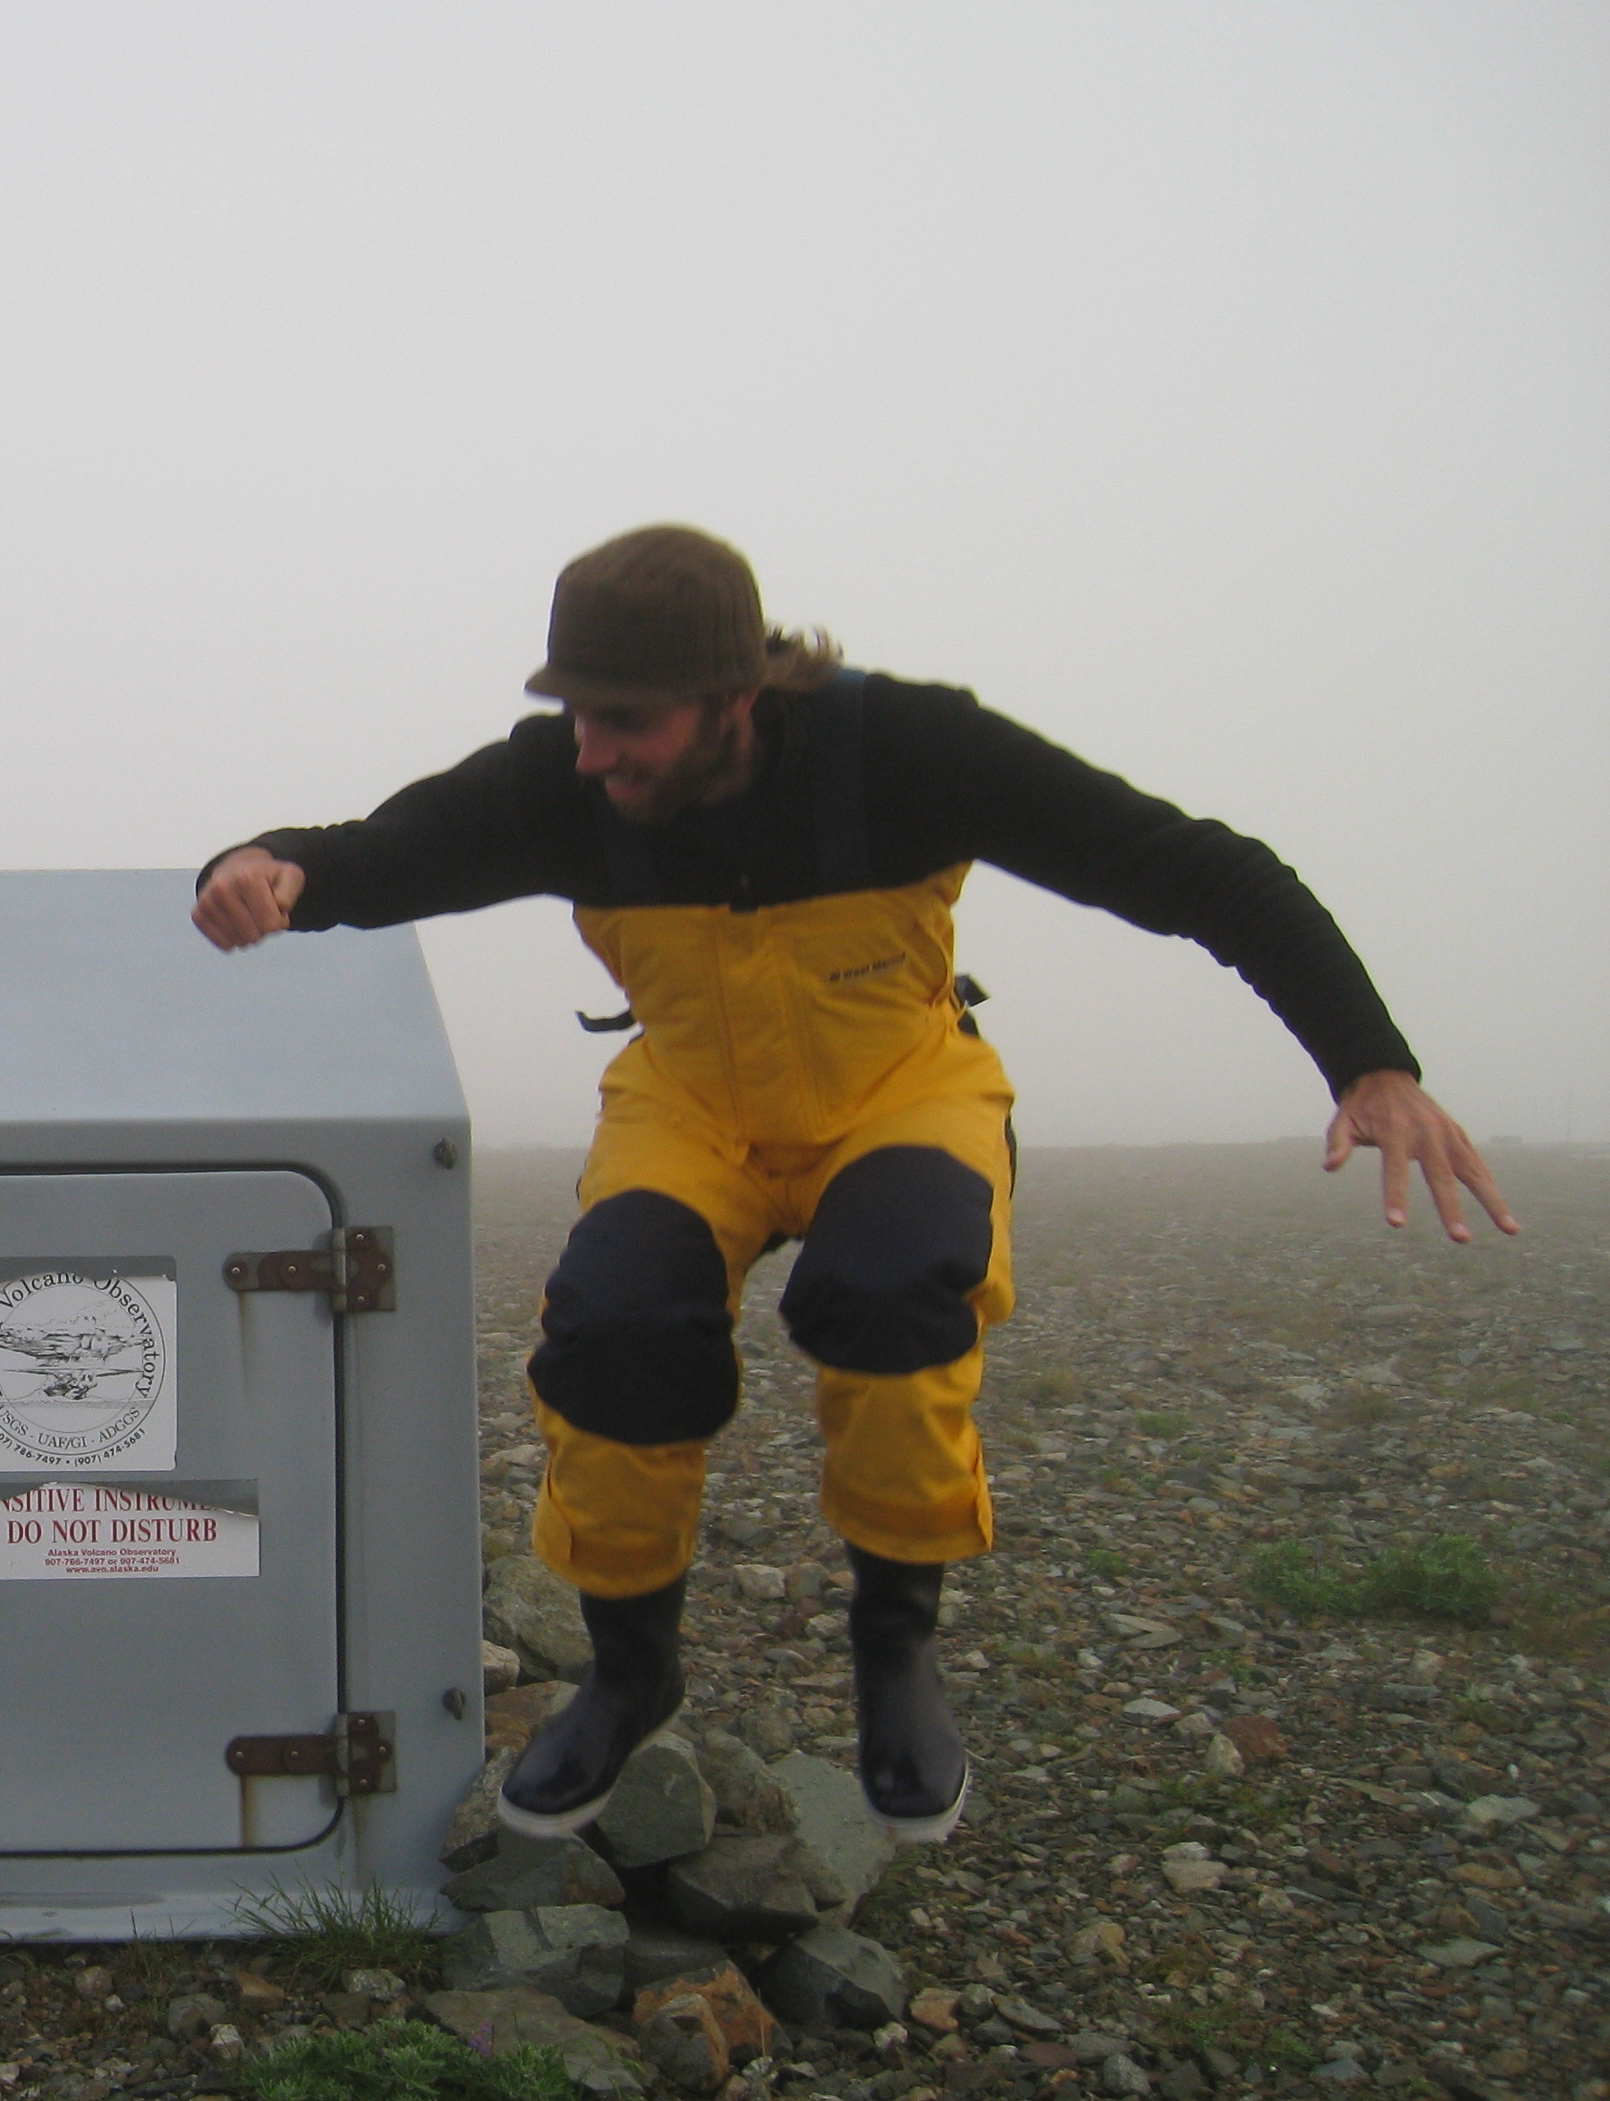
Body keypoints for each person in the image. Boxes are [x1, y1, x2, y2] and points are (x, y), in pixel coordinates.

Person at [191, 525, 1512, 1851]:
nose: (592, 753)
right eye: (576, 714)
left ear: (736, 695)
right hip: (694, 1108)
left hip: (899, 1088)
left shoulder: (910, 754)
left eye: (626, 720)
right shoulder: (562, 787)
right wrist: (265, 865)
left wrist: (1371, 1063)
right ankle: (632, 1668)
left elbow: (1206, 872)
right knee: (613, 1329)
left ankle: (894, 1645)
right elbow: (371, 856)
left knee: (889, 1296)